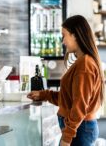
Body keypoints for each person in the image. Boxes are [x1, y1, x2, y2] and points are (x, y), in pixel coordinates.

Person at [27, 15, 105, 146]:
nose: (63, 41)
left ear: (75, 35)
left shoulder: (85, 65)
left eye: (64, 35)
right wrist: (44, 95)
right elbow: (69, 99)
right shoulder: (82, 62)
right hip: (80, 129)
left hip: (80, 131)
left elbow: (79, 105)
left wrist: (66, 138)